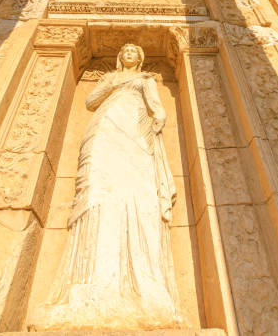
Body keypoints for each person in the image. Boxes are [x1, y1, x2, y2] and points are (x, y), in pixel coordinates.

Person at [29, 43, 181, 331]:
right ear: (119, 57)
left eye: (135, 52)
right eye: (125, 52)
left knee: (138, 191)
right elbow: (90, 102)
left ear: (141, 59)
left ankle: (141, 281)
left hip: (135, 130)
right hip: (105, 127)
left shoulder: (145, 80)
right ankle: (87, 278)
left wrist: (155, 124)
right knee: (96, 190)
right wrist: (110, 82)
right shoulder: (111, 79)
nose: (129, 54)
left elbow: (157, 110)